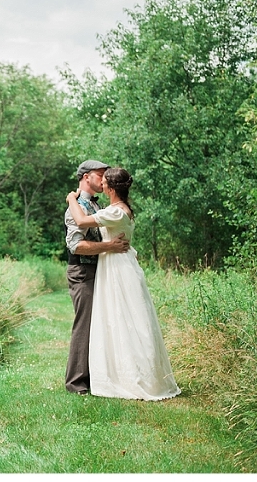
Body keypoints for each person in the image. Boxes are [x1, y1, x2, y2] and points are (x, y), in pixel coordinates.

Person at [66, 167, 180, 401]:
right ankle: (115, 373)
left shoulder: (116, 211)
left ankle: (132, 376)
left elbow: (81, 220)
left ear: (110, 188)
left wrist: (70, 199)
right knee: (118, 320)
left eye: (104, 181)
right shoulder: (116, 209)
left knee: (125, 319)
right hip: (114, 265)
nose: (101, 183)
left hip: (117, 267)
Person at [64, 159, 130, 395]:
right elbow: (76, 245)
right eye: (100, 174)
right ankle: (76, 383)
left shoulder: (97, 205)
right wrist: (109, 247)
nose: (104, 179)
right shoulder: (76, 206)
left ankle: (97, 377)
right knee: (85, 325)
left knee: (99, 325)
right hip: (83, 271)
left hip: (99, 271)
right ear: (86, 177)